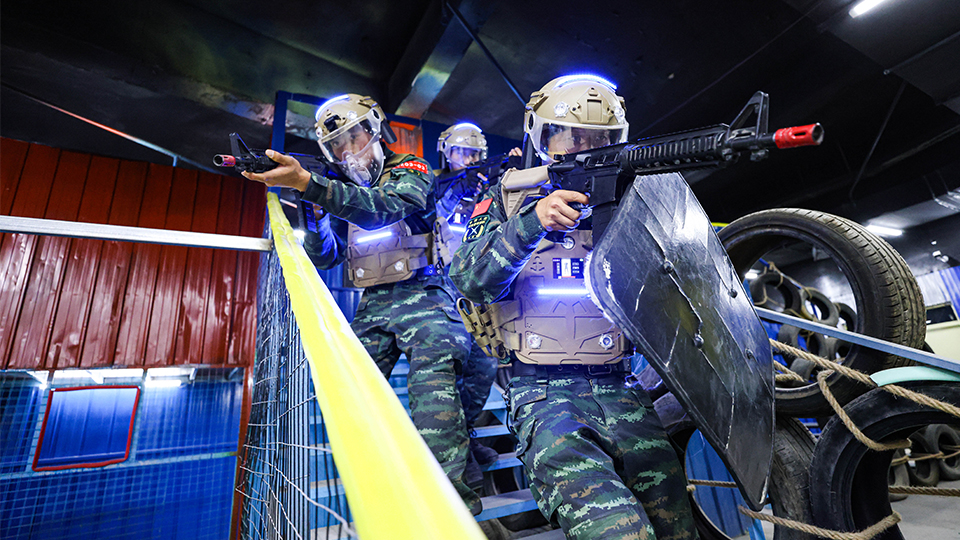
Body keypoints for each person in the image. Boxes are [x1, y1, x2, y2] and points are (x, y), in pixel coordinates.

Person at [450, 75, 698, 538]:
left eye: (600, 139)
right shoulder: (508, 201)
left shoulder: (631, 202)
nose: (586, 148)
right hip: (544, 398)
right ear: (543, 139)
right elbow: (469, 278)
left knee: (678, 531)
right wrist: (532, 222)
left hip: (625, 393)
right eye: (573, 136)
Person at [241, 93, 482, 515]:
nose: (348, 151)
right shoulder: (339, 188)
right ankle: (388, 494)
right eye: (337, 146)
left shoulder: (412, 169)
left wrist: (310, 185)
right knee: (350, 394)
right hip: (373, 302)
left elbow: (385, 210)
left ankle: (456, 511)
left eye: (354, 137)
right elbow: (329, 255)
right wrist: (313, 214)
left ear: (375, 132)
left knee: (436, 404)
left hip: (425, 297)